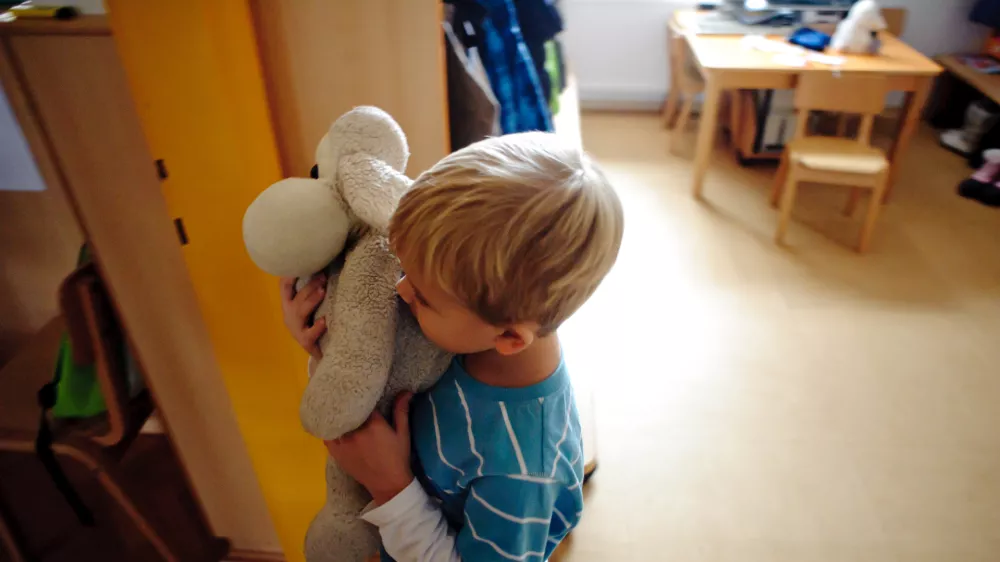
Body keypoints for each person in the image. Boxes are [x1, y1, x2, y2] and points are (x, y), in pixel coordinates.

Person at [281, 132, 624, 562]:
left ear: (509, 338)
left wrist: (391, 486)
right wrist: (323, 334)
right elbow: (380, 361)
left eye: (423, 297)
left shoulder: (523, 471)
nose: (401, 290)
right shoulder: (471, 321)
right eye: (404, 270)